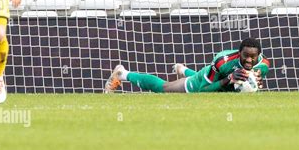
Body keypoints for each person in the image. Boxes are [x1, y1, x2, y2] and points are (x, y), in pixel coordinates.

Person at [104, 38, 270, 93]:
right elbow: (203, 90)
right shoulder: (222, 61)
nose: (249, 60)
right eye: (245, 56)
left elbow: (254, 82)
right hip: (203, 82)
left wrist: (254, 83)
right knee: (165, 88)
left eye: (253, 57)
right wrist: (228, 79)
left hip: (220, 81)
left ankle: (182, 69)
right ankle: (122, 74)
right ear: (239, 53)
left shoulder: (263, 65)